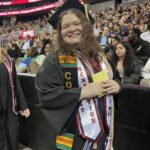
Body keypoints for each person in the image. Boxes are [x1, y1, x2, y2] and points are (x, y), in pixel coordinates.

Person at [36, 8, 121, 150]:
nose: (71, 29)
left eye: (76, 24)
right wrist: (82, 92)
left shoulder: (99, 55)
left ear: (85, 26)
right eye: (65, 26)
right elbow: (46, 93)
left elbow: (116, 77)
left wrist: (117, 85)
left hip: (104, 131)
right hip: (76, 135)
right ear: (60, 32)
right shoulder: (55, 59)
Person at [0, 44, 30, 150]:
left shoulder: (7, 58)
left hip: (10, 106)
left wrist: (23, 105)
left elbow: (15, 82)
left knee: (12, 137)